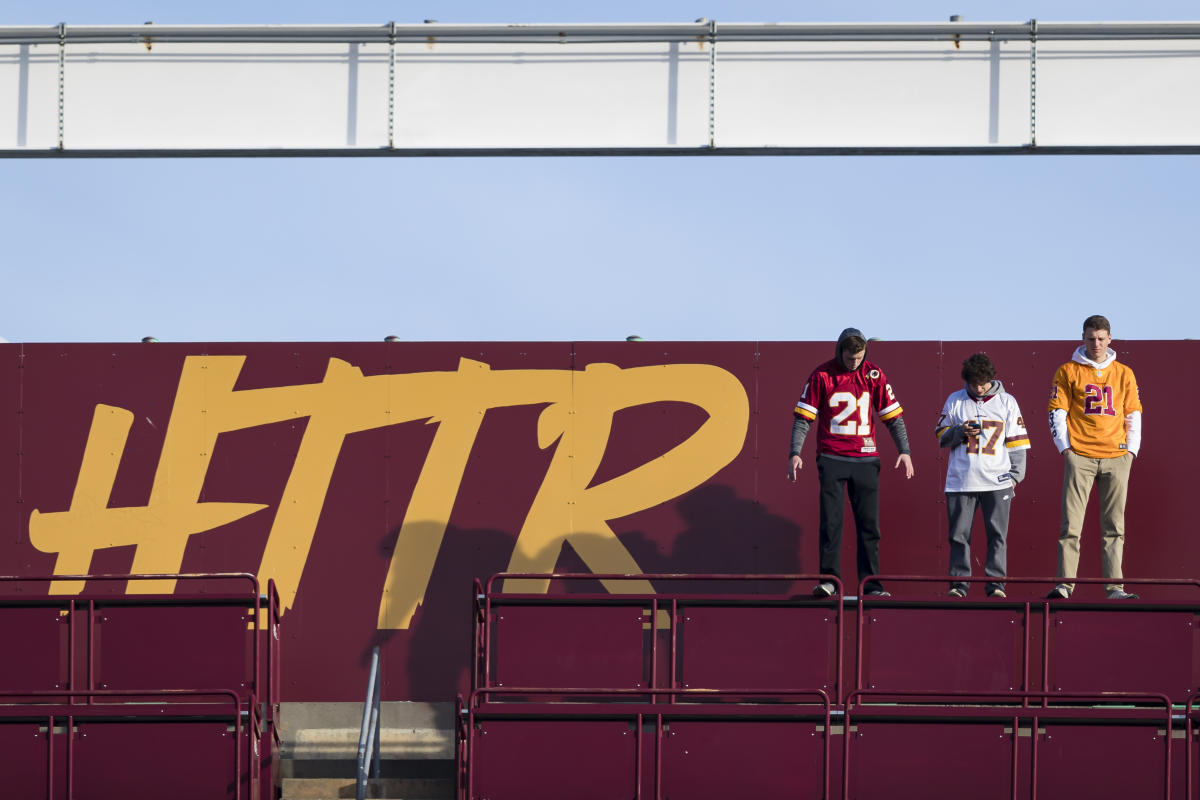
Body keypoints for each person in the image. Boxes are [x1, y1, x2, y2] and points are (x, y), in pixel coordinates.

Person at [788, 328, 914, 597]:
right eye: (849, 357)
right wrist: (794, 452)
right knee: (831, 523)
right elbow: (803, 418)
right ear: (839, 350)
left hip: (866, 459)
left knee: (869, 526)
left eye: (858, 357)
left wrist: (904, 450)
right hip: (832, 457)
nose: (853, 363)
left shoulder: (874, 374)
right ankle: (830, 581)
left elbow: (892, 417)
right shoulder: (822, 374)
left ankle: (872, 584)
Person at [1047, 315, 1143, 600]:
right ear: (1083, 338)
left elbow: (1133, 413)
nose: (1096, 344)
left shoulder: (1124, 372)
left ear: (1110, 339)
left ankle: (1115, 587)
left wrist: (1131, 451)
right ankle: (1065, 584)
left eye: (1101, 338)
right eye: (1091, 338)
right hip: (1081, 455)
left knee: (1114, 526)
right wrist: (1065, 447)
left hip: (1116, 455)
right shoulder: (1067, 370)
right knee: (1071, 525)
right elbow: (1057, 411)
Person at [936, 353, 1030, 598]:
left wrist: (1014, 478)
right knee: (958, 536)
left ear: (992, 378)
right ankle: (958, 584)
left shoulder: (1007, 402)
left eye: (983, 383)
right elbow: (941, 437)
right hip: (960, 481)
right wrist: (959, 431)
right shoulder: (955, 400)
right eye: (974, 383)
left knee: (997, 535)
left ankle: (996, 585)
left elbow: (1017, 444)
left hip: (997, 481)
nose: (979, 388)